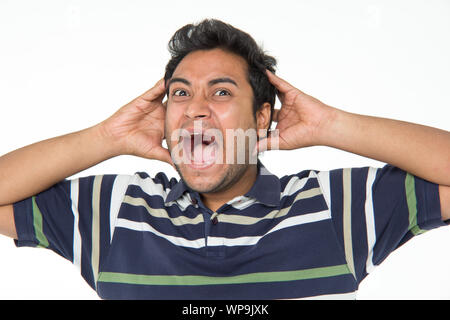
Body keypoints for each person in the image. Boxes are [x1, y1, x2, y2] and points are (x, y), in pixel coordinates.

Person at [0, 19, 449, 300]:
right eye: (180, 93)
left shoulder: (332, 205)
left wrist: (332, 125)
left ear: (260, 118)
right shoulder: (118, 210)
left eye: (221, 91)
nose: (195, 107)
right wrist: (106, 137)